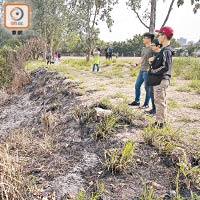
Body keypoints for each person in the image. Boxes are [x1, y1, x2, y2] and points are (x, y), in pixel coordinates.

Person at [147, 26, 175, 128]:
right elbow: (163, 62)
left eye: (159, 35)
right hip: (161, 80)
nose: (158, 37)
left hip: (161, 80)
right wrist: (154, 59)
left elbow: (165, 66)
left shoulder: (166, 50)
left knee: (159, 102)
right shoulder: (164, 50)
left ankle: (160, 124)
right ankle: (162, 121)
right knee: (160, 101)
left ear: (164, 36)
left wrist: (153, 71)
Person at [129, 33, 155, 108]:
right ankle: (137, 101)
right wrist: (136, 64)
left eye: (144, 38)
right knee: (137, 85)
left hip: (147, 71)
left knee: (147, 88)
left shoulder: (152, 48)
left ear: (149, 39)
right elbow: (142, 58)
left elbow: (155, 58)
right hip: (141, 70)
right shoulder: (144, 49)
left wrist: (151, 67)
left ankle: (146, 104)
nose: (143, 39)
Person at [145, 39, 162, 115]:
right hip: (151, 75)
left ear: (158, 46)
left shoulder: (162, 54)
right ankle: (153, 109)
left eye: (153, 45)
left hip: (157, 77)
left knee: (156, 95)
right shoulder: (153, 53)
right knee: (151, 93)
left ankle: (156, 111)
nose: (151, 46)